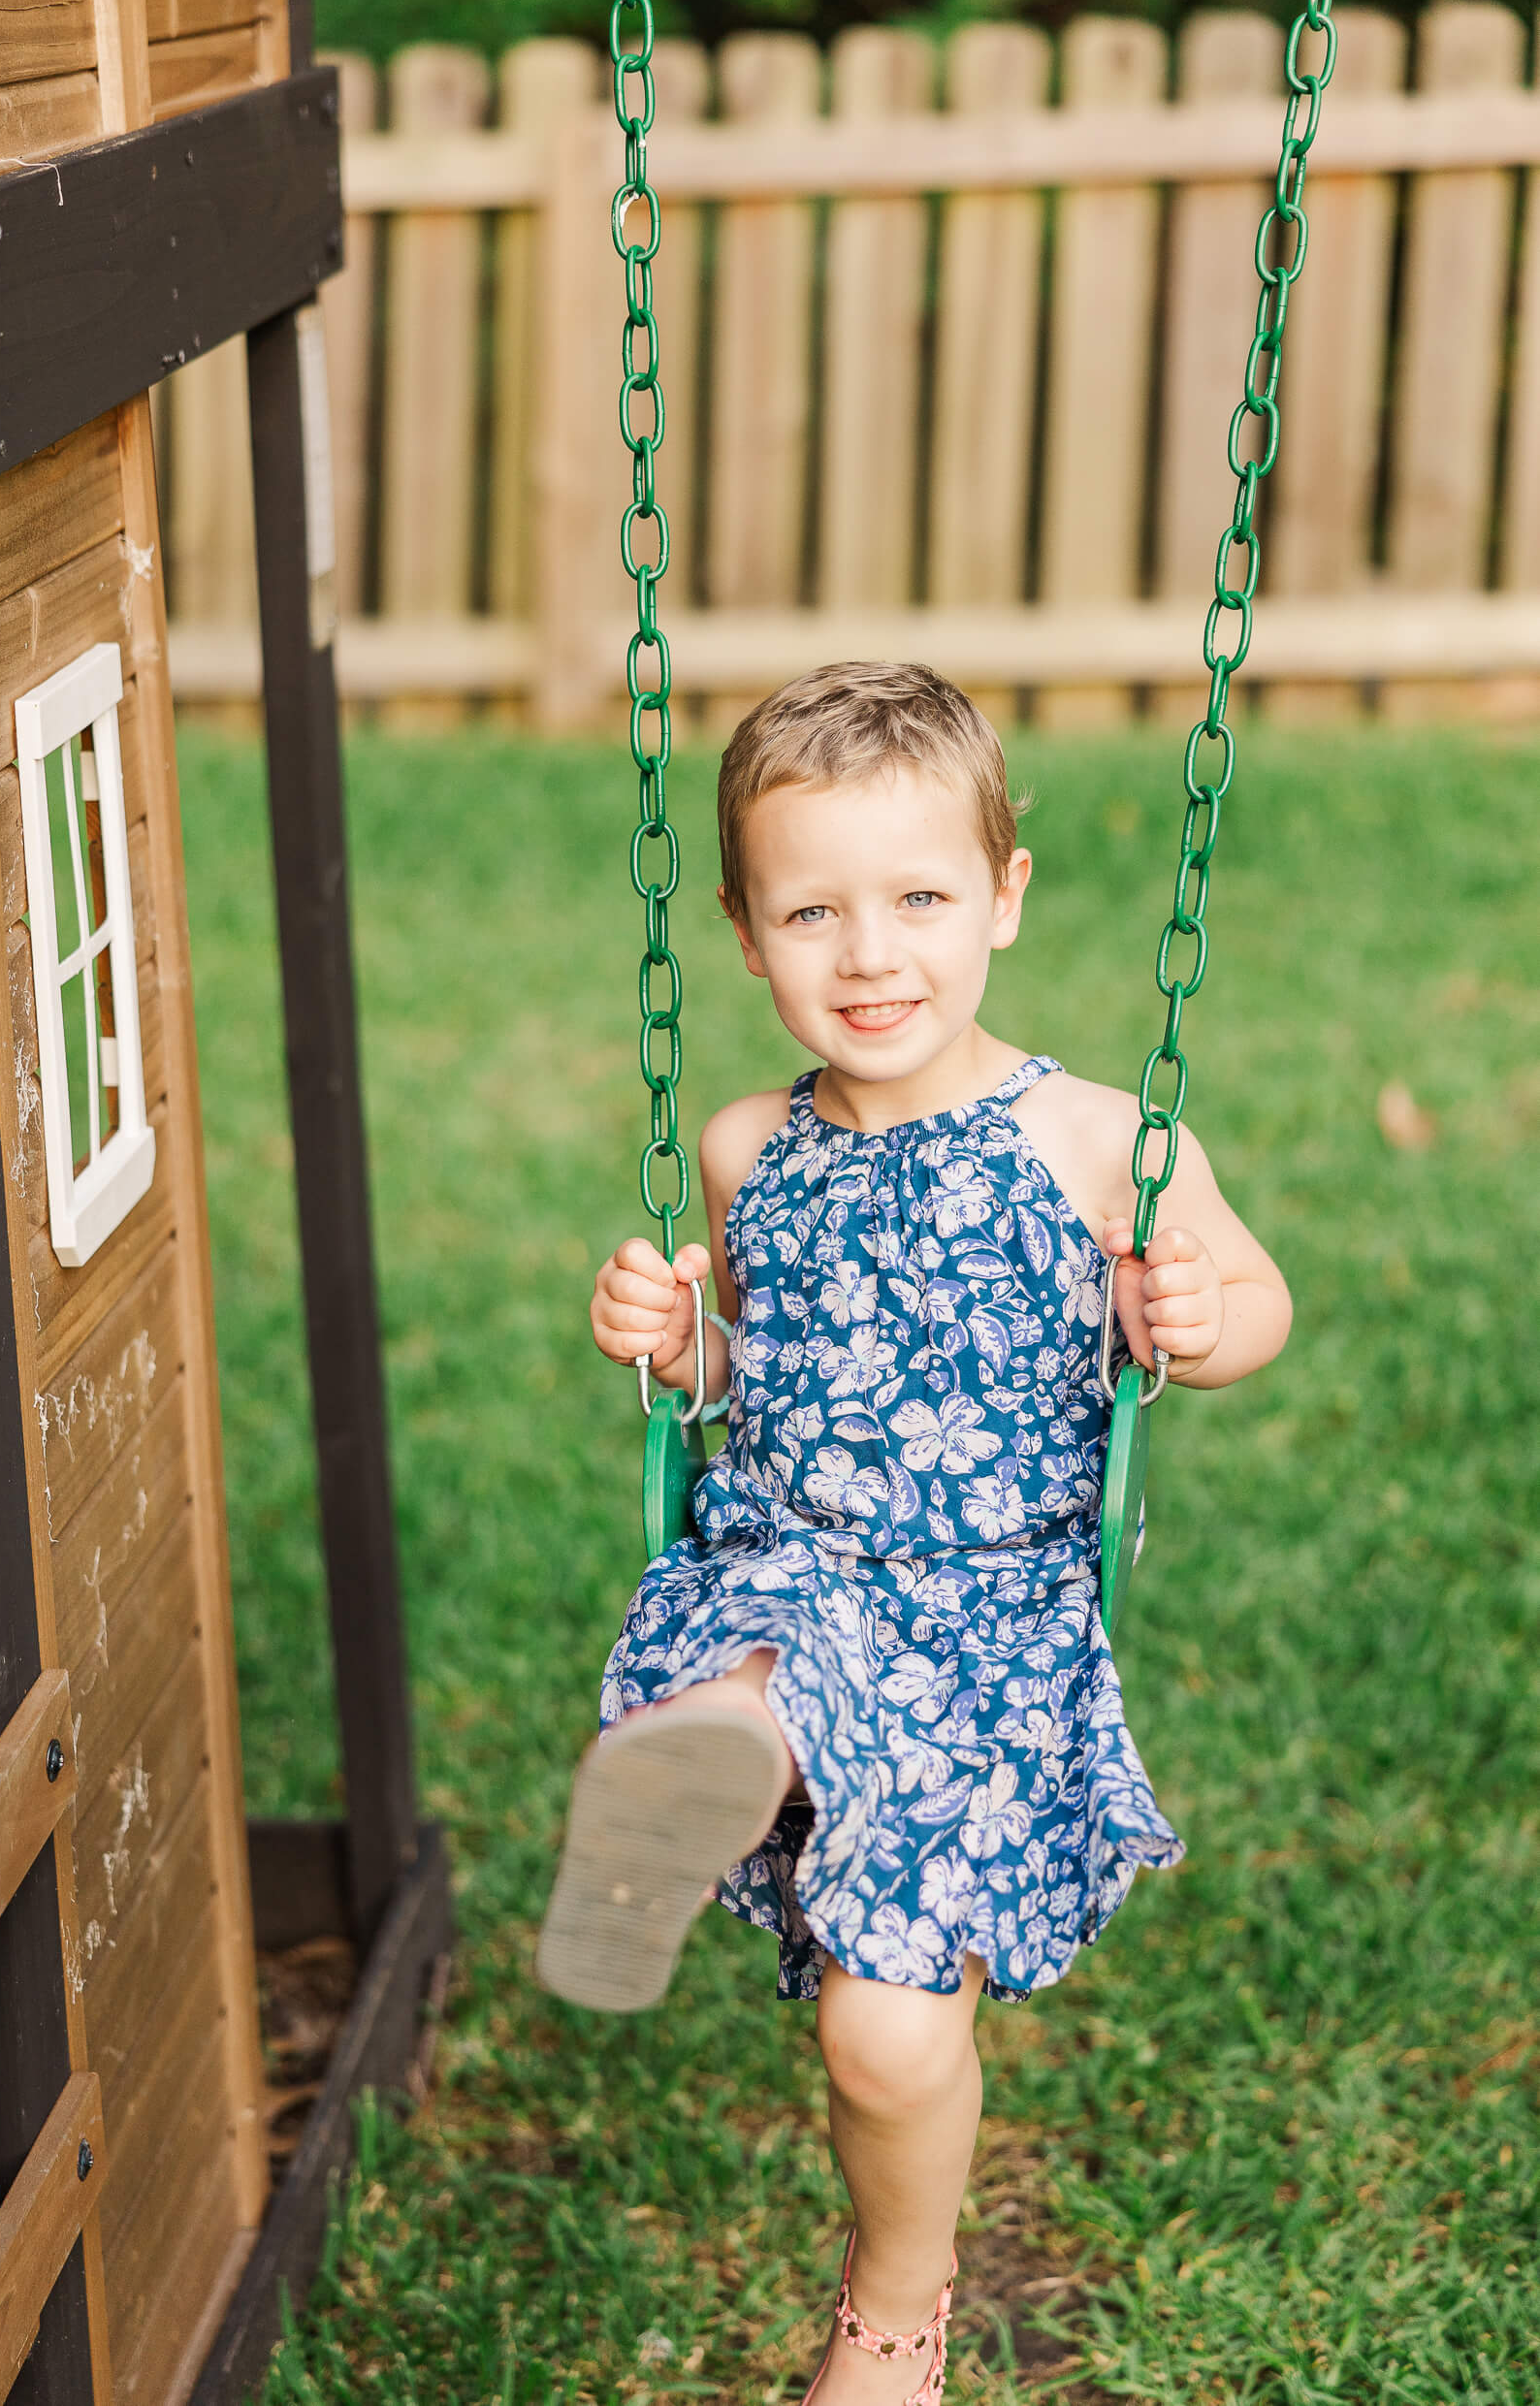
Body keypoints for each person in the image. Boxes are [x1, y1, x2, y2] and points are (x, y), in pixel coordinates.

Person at [538, 662, 1291, 2404]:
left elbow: (1256, 1310)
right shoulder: (747, 1146)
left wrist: (1189, 1313)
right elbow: (755, 1376)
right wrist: (680, 1345)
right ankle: (722, 1744)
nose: (870, 956)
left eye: (921, 900)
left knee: (883, 2047)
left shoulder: (1107, 1140)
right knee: (758, 1658)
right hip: (792, 1579)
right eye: (814, 912)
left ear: (1006, 899)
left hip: (986, 1636)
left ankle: (897, 2314)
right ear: (743, 933)